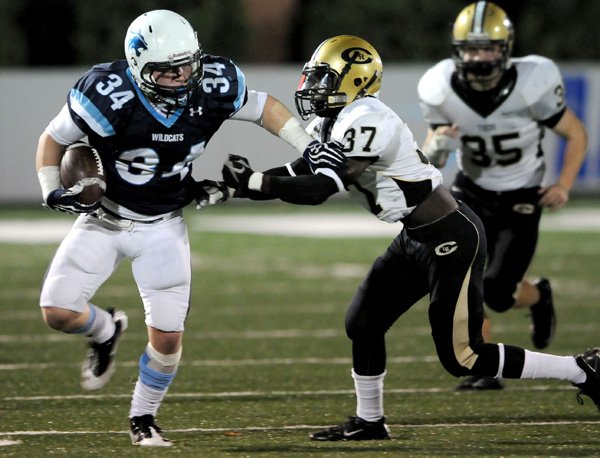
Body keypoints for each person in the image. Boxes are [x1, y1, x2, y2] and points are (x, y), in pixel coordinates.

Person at [220, 34, 600, 441]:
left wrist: (258, 183)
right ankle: (370, 421)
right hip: (416, 236)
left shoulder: (368, 117)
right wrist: (237, 186)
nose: (313, 89)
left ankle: (581, 369)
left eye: (325, 80)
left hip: (450, 237)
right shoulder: (332, 120)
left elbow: (322, 187)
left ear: (357, 82)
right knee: (363, 323)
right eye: (313, 79)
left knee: (464, 358)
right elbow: (300, 169)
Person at [35, 9, 336, 447]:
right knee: (57, 311)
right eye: (167, 70)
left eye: (186, 64)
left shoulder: (213, 82)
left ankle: (143, 416)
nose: (181, 76)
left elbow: (263, 107)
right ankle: (105, 331)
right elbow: (54, 137)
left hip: (163, 224)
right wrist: (49, 189)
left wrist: (309, 145)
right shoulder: (107, 93)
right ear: (139, 68)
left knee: (169, 338)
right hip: (105, 217)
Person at [418, 1, 588, 391]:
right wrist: (438, 147)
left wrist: (563, 183)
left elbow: (575, 133)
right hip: (470, 190)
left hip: (520, 195)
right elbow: (433, 152)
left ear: (505, 48)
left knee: (498, 290)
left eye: (488, 48)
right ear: (458, 50)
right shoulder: (440, 86)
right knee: (466, 275)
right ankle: (485, 364)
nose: (480, 57)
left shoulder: (533, 82)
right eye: (472, 48)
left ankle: (538, 294)